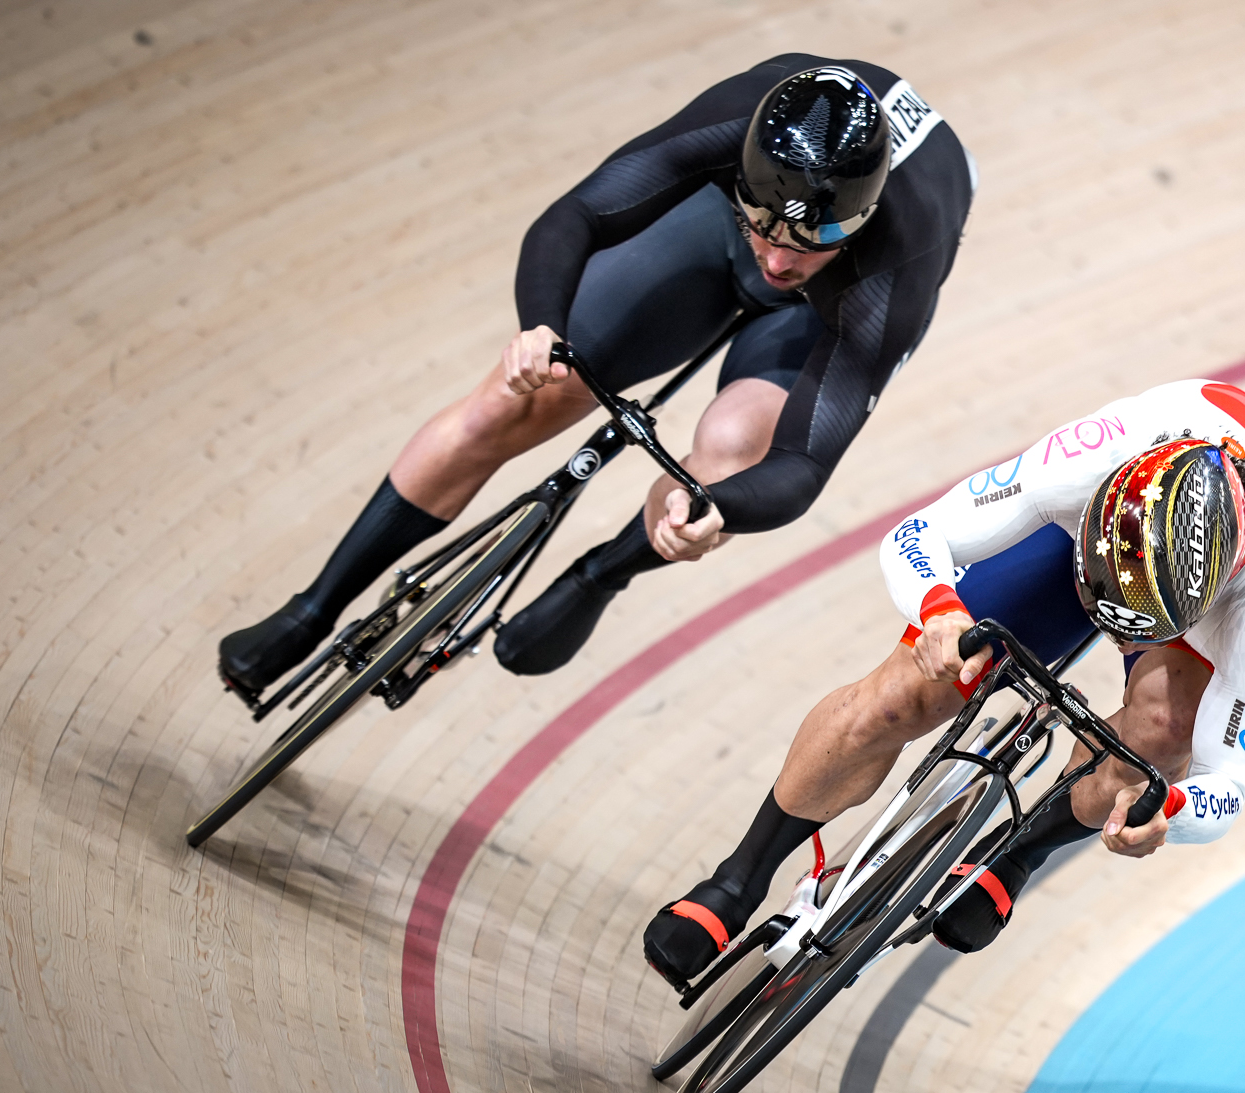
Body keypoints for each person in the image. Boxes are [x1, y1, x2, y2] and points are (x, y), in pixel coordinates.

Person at [217, 57, 972, 696]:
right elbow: (577, 216)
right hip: (713, 231)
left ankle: (601, 573)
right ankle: (313, 608)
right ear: (743, 171)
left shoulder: (897, 261)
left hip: (826, 310)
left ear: (858, 222)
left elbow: (802, 464)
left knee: (731, 452)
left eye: (808, 242)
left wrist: (717, 508)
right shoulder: (736, 120)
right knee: (524, 394)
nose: (778, 260)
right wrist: (538, 326)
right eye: (769, 225)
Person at [644, 377, 1245, 985]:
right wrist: (940, 614)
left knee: (1162, 739)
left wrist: (1169, 813)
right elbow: (920, 535)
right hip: (1097, 532)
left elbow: (1228, 782)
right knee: (908, 691)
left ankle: (1019, 852)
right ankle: (737, 879)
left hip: (1190, 603)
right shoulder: (1091, 458)